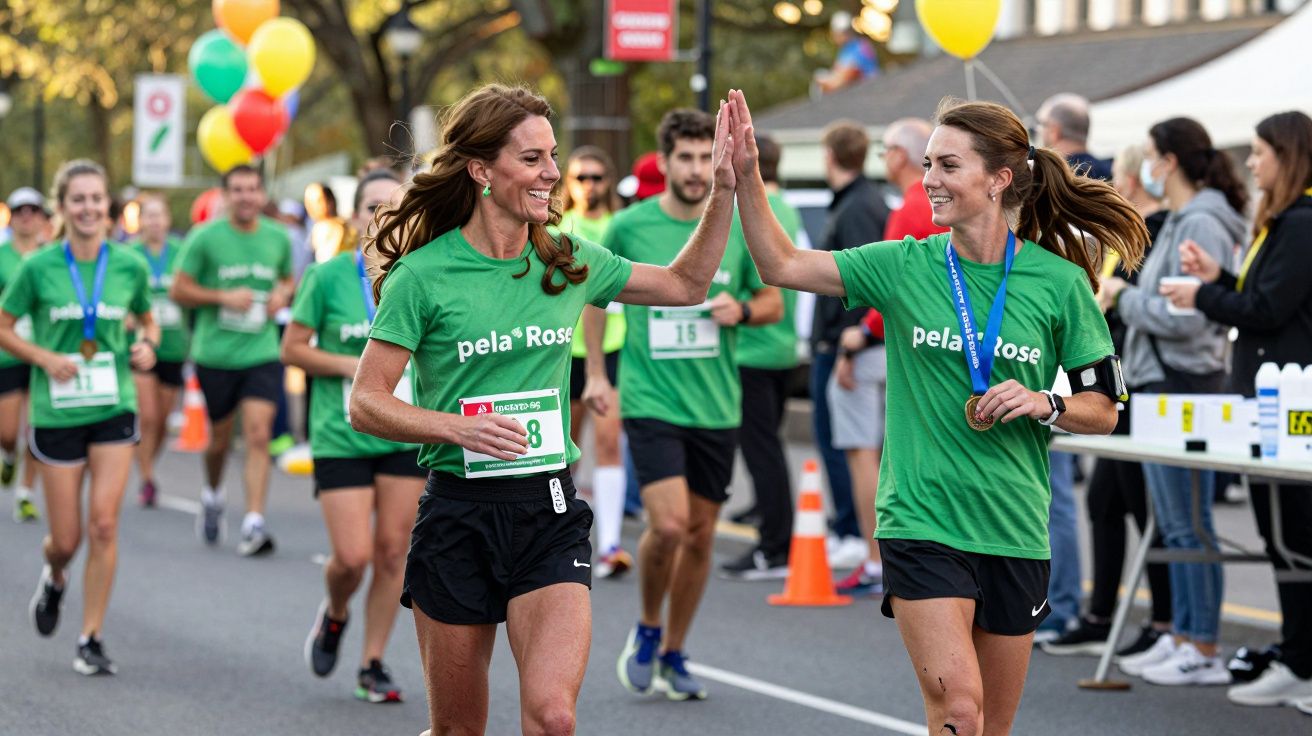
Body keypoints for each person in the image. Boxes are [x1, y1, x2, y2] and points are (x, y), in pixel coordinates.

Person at [728, 90, 1145, 736]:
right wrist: (749, 174)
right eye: (927, 164)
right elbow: (781, 263)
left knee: (990, 727)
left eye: (948, 166)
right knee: (957, 710)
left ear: (999, 178)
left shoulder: (1059, 283)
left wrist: (1047, 402)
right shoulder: (906, 265)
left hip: (1013, 526)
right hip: (922, 519)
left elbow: (1104, 408)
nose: (929, 180)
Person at [349, 84, 741, 735]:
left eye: (552, 155)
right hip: (459, 514)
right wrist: (457, 427)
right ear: (481, 169)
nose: (553, 172)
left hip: (549, 512)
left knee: (554, 717)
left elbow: (685, 284)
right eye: (532, 159)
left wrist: (725, 190)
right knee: (457, 730)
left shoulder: (567, 261)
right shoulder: (424, 276)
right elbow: (365, 402)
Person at [602, 108, 781, 701]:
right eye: (685, 156)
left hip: (717, 404)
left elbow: (774, 301)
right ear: (665, 161)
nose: (696, 168)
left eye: (707, 156)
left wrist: (743, 311)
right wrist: (599, 376)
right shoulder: (629, 227)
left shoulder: (737, 223)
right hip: (652, 399)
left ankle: (676, 649)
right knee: (670, 524)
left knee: (701, 536)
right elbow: (594, 295)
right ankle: (648, 627)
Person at [1161, 111, 1312, 711]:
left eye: (1259, 152)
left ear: (1287, 154)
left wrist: (1204, 295)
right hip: (1265, 398)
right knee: (1281, 534)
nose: (1250, 163)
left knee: (1293, 536)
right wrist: (1219, 276)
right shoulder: (1285, 223)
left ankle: (1302, 662)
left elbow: (1269, 310)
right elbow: (1262, 297)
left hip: (1286, 401)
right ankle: (1297, 655)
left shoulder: (1301, 223)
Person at [1102, 117, 1247, 687]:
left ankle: (1201, 642)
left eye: (1153, 158)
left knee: (1190, 522)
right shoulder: (1189, 219)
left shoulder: (1203, 221)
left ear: (1170, 162)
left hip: (1183, 381)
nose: (1145, 170)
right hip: (1163, 379)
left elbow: (1191, 317)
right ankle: (1184, 635)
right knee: (1176, 522)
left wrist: (1124, 297)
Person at [0, 159, 159, 675]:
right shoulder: (38, 267)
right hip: (57, 409)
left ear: (107, 206)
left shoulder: (130, 265)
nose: (88, 208)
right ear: (62, 207)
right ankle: (55, 575)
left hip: (114, 405)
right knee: (66, 539)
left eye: (96, 199)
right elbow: (3, 327)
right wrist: (45, 359)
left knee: (105, 524)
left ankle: (90, 637)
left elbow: (147, 319)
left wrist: (147, 347)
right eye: (78, 199)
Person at [282, 168, 425, 703]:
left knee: (393, 554)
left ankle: (373, 662)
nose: (382, 216)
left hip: (404, 433)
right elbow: (292, 349)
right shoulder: (325, 278)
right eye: (371, 206)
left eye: (394, 206)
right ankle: (337, 611)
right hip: (340, 433)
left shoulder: (421, 278)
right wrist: (353, 367)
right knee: (353, 556)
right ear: (354, 217)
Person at [1042, 143, 1173, 659]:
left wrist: (1114, 298)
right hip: (1122, 372)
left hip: (1145, 378)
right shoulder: (1123, 236)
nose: (1116, 180)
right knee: (1105, 502)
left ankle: (1164, 623)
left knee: (1149, 509)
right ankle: (1104, 616)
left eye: (1121, 171)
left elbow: (1129, 299)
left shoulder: (1152, 231)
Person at [831, 117, 946, 596]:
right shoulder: (924, 209)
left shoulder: (912, 209)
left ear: (900, 155)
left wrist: (860, 332)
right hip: (926, 349)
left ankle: (878, 560)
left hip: (887, 345)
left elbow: (893, 287)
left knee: (866, 456)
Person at [171, 164, 294, 557]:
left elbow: (288, 279)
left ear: (262, 194)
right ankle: (211, 493)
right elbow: (179, 289)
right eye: (238, 190)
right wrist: (222, 298)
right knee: (219, 440)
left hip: (261, 352)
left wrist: (281, 294)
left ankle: (253, 521)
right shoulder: (205, 238)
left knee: (259, 435)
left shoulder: (278, 237)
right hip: (216, 355)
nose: (246, 196)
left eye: (252, 189)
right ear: (226, 195)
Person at [1033, 92, 1115, 641]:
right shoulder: (1104, 184)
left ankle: (1061, 605)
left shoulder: (1077, 194)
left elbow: (1087, 286)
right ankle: (1057, 604)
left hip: (1066, 361)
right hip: (1061, 355)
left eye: (1040, 128)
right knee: (1058, 495)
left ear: (1057, 134)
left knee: (1056, 494)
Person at [719, 133, 802, 581]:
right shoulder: (785, 206)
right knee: (768, 446)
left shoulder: (744, 212)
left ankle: (775, 547)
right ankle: (771, 526)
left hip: (752, 346)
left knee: (761, 451)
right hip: (782, 347)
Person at [812, 120, 889, 569]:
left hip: (852, 347)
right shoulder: (856, 201)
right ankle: (853, 532)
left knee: (852, 448)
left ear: (831, 156)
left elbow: (863, 280)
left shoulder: (858, 206)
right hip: (847, 344)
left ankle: (856, 535)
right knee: (845, 444)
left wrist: (849, 346)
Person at [559, 146, 631, 579]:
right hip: (564, 353)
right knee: (563, 450)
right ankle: (559, 538)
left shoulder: (619, 226)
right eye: (581, 177)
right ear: (568, 183)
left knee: (608, 445)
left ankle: (610, 545)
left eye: (597, 177)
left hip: (613, 350)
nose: (589, 185)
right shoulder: (556, 228)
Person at [129, 193, 188, 508]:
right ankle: (148, 476)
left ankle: (145, 461)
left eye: (159, 215)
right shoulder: (130, 255)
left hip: (174, 345)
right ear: (140, 221)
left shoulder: (181, 253)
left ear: (167, 220)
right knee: (148, 416)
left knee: (163, 420)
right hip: (141, 346)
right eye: (148, 216)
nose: (154, 222)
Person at [0, 186, 50, 523]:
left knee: (36, 427)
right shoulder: (1, 255)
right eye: (21, 211)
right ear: (12, 217)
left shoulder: (53, 258)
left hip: (43, 353)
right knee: (7, 432)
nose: (27, 216)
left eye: (34, 210)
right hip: (7, 353)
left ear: (43, 218)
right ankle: (7, 457)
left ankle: (25, 493)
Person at [1036, 93, 1113, 181]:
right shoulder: (1113, 172)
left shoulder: (1051, 179)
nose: (1039, 130)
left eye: (1042, 124)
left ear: (1054, 131)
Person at [816, 11, 879, 94]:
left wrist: (828, 84)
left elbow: (850, 74)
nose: (835, 37)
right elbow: (837, 71)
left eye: (837, 34)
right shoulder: (844, 51)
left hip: (868, 90)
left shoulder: (861, 46)